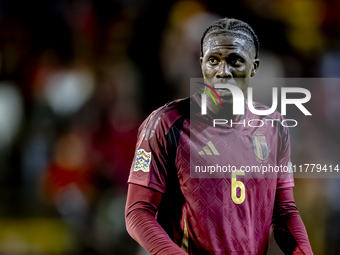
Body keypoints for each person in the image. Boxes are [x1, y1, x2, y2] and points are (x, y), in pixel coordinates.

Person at [125, 18, 313, 255]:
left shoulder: (274, 126)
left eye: (235, 60)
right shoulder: (166, 123)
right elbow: (138, 210)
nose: (223, 71)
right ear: (202, 63)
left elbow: (284, 211)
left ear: (254, 67)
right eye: (214, 60)